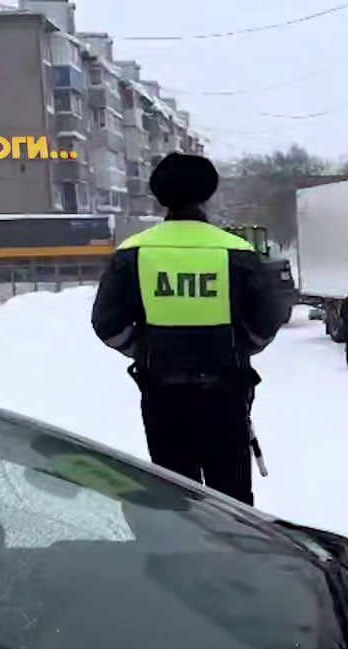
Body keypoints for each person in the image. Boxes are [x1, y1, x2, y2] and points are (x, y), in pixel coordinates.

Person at [90, 152, 288, 505]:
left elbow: (107, 324)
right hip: (226, 394)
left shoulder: (132, 253)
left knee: (173, 499)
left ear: (159, 195)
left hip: (162, 395)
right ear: (207, 193)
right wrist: (238, 348)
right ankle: (235, 559)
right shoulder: (237, 252)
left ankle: (182, 558)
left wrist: (146, 348)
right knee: (231, 502)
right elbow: (268, 320)